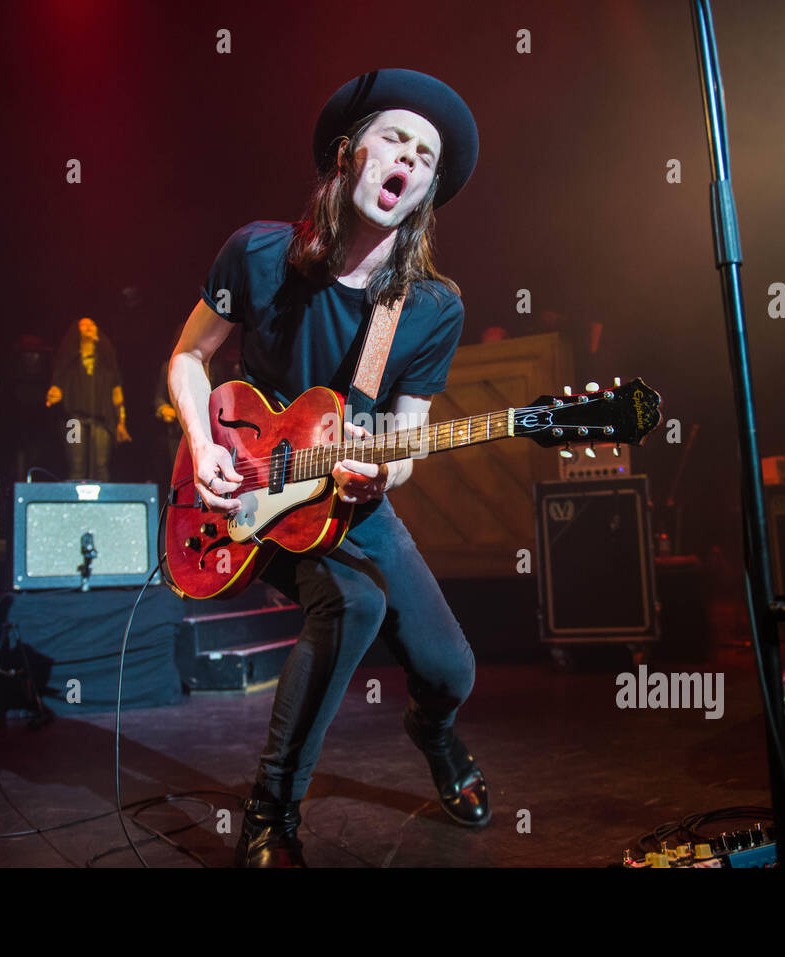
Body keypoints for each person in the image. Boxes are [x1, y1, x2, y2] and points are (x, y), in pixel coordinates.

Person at [167, 68, 486, 867]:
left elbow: (406, 440)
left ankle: (433, 733)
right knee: (352, 603)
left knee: (452, 670)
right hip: (249, 490)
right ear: (350, 155)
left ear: (424, 192)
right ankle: (271, 813)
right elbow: (187, 357)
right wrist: (205, 449)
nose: (408, 161)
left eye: (426, 157)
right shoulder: (259, 253)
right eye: (395, 141)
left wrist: (383, 475)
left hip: (348, 495)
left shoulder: (430, 306)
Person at [46, 317, 130, 481]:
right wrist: (55, 393)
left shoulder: (106, 365)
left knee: (101, 465)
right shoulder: (68, 363)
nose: (88, 327)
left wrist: (121, 422)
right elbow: (56, 385)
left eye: (92, 324)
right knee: (76, 465)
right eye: (83, 325)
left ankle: (102, 504)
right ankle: (77, 504)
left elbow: (117, 393)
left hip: (103, 421)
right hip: (73, 420)